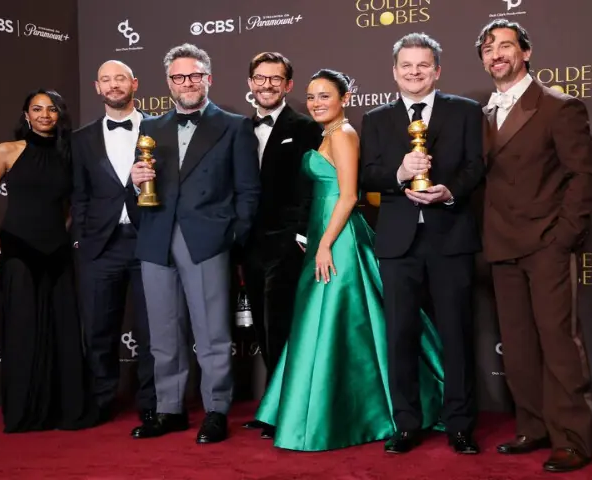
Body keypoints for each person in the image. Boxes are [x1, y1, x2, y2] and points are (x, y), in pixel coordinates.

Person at [254, 69, 446, 452]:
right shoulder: (327, 133)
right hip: (325, 233)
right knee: (327, 324)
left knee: (342, 322)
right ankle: (320, 409)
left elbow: (347, 196)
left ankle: (345, 414)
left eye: (325, 95)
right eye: (311, 97)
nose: (316, 103)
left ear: (345, 98)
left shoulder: (343, 135)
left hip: (337, 238)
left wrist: (323, 244)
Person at [476, 19, 592, 473]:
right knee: (519, 344)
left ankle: (572, 437)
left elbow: (582, 175)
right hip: (500, 243)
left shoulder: (557, 106)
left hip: (546, 242)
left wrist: (564, 236)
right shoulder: (483, 114)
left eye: (506, 45)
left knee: (558, 342)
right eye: (489, 48)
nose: (497, 54)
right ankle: (533, 426)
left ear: (526, 53)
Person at [128, 43, 261, 444]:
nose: (187, 83)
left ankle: (216, 409)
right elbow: (139, 187)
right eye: (179, 77)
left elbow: (248, 192)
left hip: (206, 240)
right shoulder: (151, 127)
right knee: (164, 333)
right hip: (156, 237)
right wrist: (134, 182)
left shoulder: (235, 126)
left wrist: (228, 237)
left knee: (212, 333)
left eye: (195, 75)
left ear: (209, 79)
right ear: (168, 82)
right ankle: (170, 409)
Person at [359, 32, 485, 455]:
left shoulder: (466, 112)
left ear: (438, 70)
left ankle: (460, 425)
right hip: (398, 243)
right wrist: (398, 173)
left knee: (457, 335)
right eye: (407, 66)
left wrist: (448, 191)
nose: (415, 73)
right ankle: (407, 424)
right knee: (400, 336)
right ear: (395, 72)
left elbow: (476, 167)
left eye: (423, 66)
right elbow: (367, 175)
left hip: (450, 238)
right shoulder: (376, 119)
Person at [0, 89, 98, 433]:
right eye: (37, 109)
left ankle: (65, 409)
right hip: (17, 249)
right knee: (24, 331)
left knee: (62, 331)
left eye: (51, 109)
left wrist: (60, 231)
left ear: (60, 115)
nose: (45, 114)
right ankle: (25, 412)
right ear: (26, 114)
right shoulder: (6, 151)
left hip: (57, 250)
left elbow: (74, 205)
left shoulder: (68, 154)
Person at [238, 52, 323, 439]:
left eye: (275, 79)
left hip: (288, 243)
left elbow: (314, 184)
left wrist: (301, 234)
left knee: (281, 328)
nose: (266, 85)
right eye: (260, 78)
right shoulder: (239, 128)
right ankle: (273, 404)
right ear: (251, 83)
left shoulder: (306, 127)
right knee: (261, 327)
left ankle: (287, 410)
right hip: (247, 244)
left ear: (288, 86)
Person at [71, 60, 157, 431]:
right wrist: (85, 235)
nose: (113, 85)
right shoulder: (80, 138)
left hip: (148, 239)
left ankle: (153, 403)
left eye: (120, 78)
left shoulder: (160, 128)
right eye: (106, 79)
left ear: (134, 83)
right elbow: (79, 194)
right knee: (98, 329)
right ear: (97, 87)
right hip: (100, 246)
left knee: (154, 329)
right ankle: (101, 400)